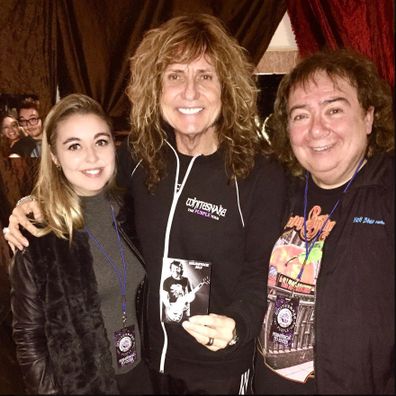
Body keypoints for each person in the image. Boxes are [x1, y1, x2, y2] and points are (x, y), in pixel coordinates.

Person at [3, 14, 287, 394]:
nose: (189, 92)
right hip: (147, 362)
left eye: (205, 75)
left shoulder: (259, 172)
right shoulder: (140, 155)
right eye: (174, 76)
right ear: (156, 88)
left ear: (227, 87)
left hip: (215, 365)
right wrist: (32, 202)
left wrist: (238, 323)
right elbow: (84, 177)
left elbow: (262, 271)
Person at [254, 49, 394, 394]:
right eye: (301, 115)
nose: (317, 129)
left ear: (368, 117)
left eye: (334, 110)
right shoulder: (277, 189)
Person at [7, 94, 153, 394]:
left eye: (100, 141)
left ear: (114, 146)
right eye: (74, 145)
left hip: (144, 376)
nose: (92, 156)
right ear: (55, 157)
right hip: (84, 385)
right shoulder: (37, 232)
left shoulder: (135, 209)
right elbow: (28, 334)